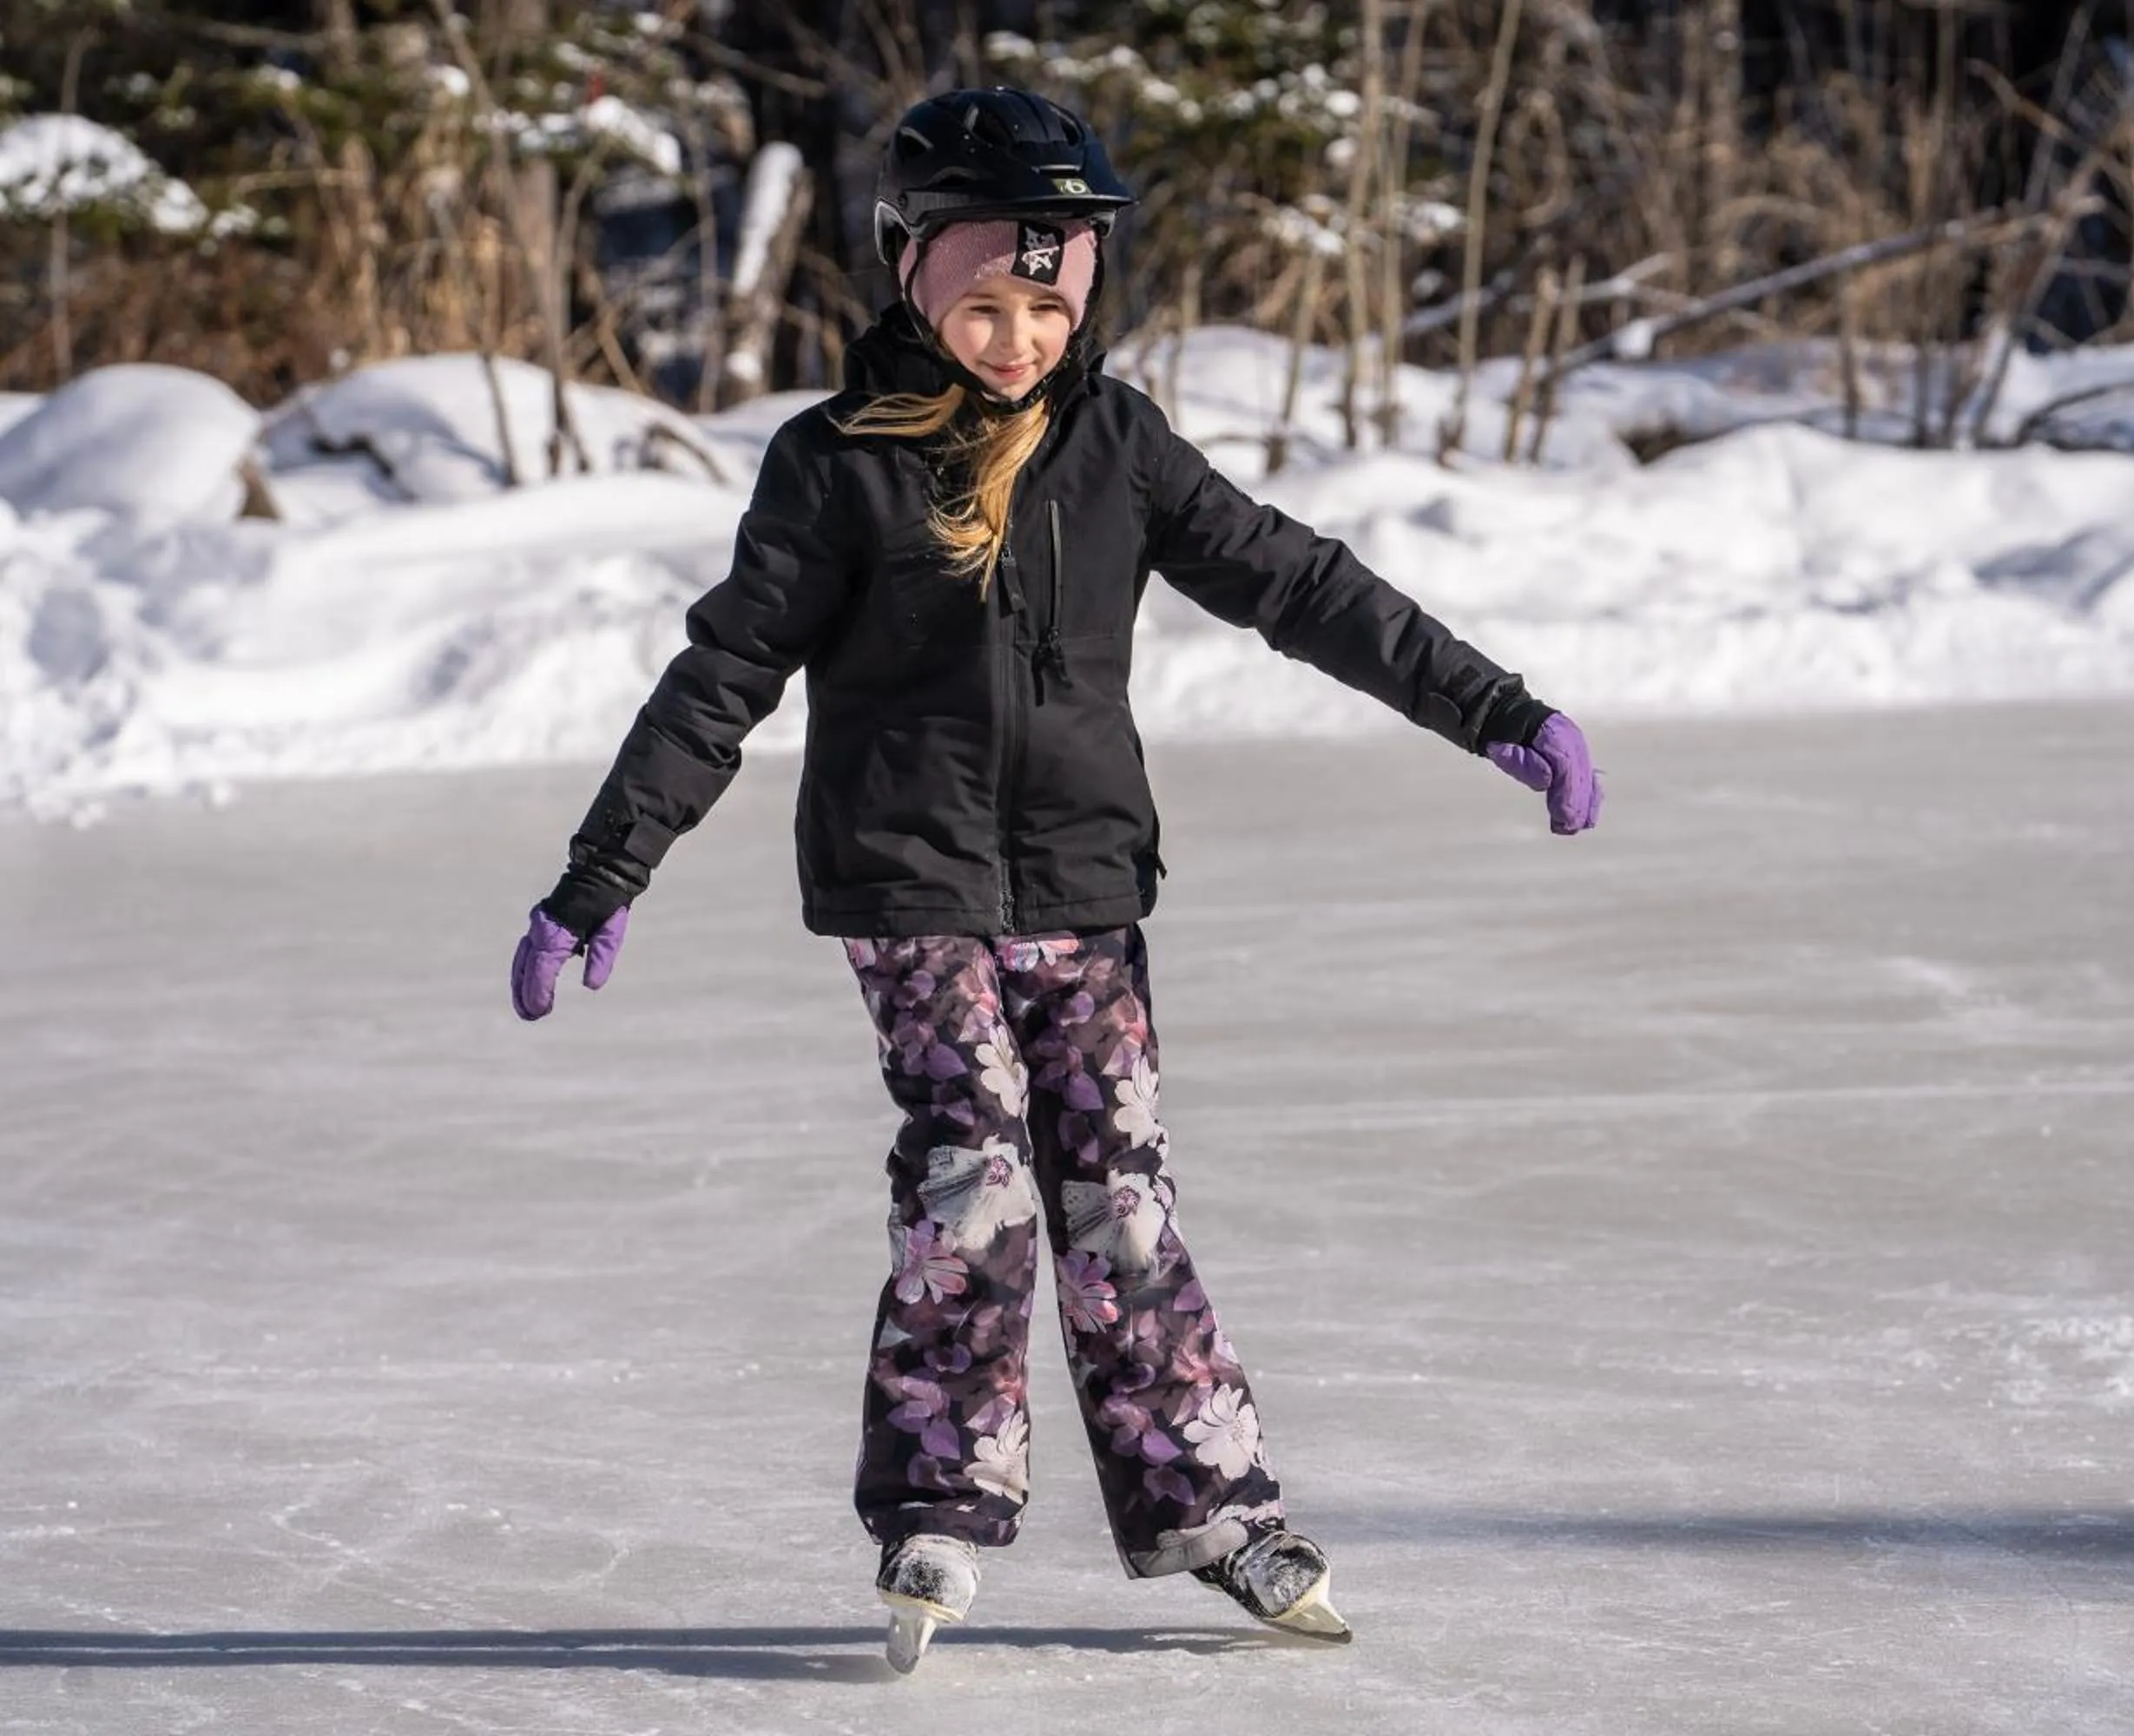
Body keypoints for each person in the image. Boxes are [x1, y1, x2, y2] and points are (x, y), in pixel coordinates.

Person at [508, 87, 1603, 1671]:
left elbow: (1300, 583)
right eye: (981, 302)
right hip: (910, 885)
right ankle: (940, 1505)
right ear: (908, 279)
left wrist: (1496, 708)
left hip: (1087, 888)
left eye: (1048, 300)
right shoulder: (834, 469)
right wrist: (601, 875)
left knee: (1124, 1201)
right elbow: (721, 677)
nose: (1017, 337)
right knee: (977, 1178)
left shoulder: (1116, 445)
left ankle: (1211, 1506)